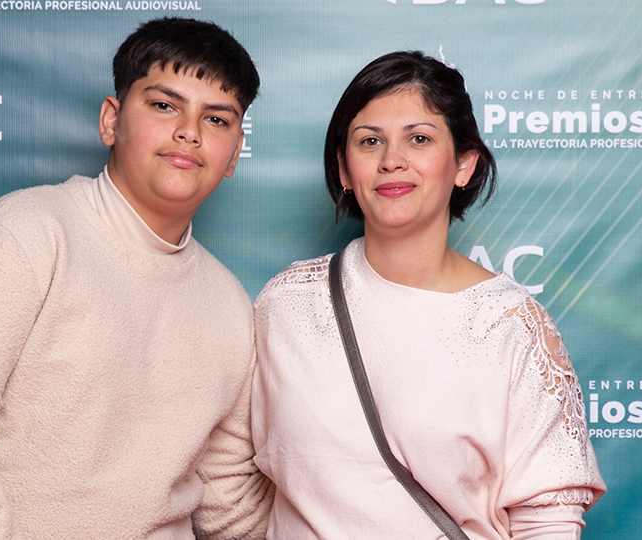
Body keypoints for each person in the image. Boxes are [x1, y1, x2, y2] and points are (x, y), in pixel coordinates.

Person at [0, 17, 273, 540]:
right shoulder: (23, 235)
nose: (189, 131)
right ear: (111, 121)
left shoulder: (228, 303)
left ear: (233, 154)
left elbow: (226, 496)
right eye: (164, 106)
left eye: (216, 119)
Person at [251, 50, 605, 539]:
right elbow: (235, 471)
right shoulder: (286, 304)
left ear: (463, 164)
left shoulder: (512, 326)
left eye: (418, 139)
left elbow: (548, 521)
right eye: (370, 141)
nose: (391, 161)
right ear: (345, 170)